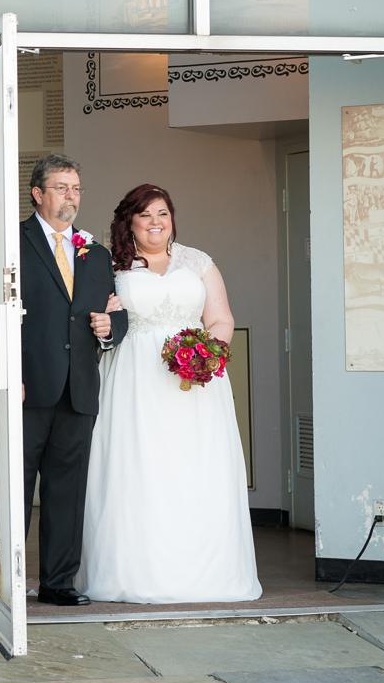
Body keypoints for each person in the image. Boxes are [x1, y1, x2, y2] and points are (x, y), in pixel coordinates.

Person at [81, 184, 260, 603]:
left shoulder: (198, 262)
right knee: (138, 468)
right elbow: (101, 317)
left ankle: (206, 575)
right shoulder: (111, 266)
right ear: (129, 221)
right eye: (145, 215)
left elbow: (220, 319)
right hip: (134, 378)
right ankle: (135, 573)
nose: (156, 222)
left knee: (195, 469)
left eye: (163, 213)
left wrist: (206, 354)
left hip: (195, 384)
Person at [16, 154, 127, 607]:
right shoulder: (12, 243)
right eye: (61, 187)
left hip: (78, 389)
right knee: (14, 488)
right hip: (25, 388)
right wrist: (9, 376)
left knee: (67, 492)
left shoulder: (95, 253)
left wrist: (109, 330)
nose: (71, 196)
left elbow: (114, 316)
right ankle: (3, 581)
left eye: (76, 188)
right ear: (38, 194)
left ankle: (58, 583)